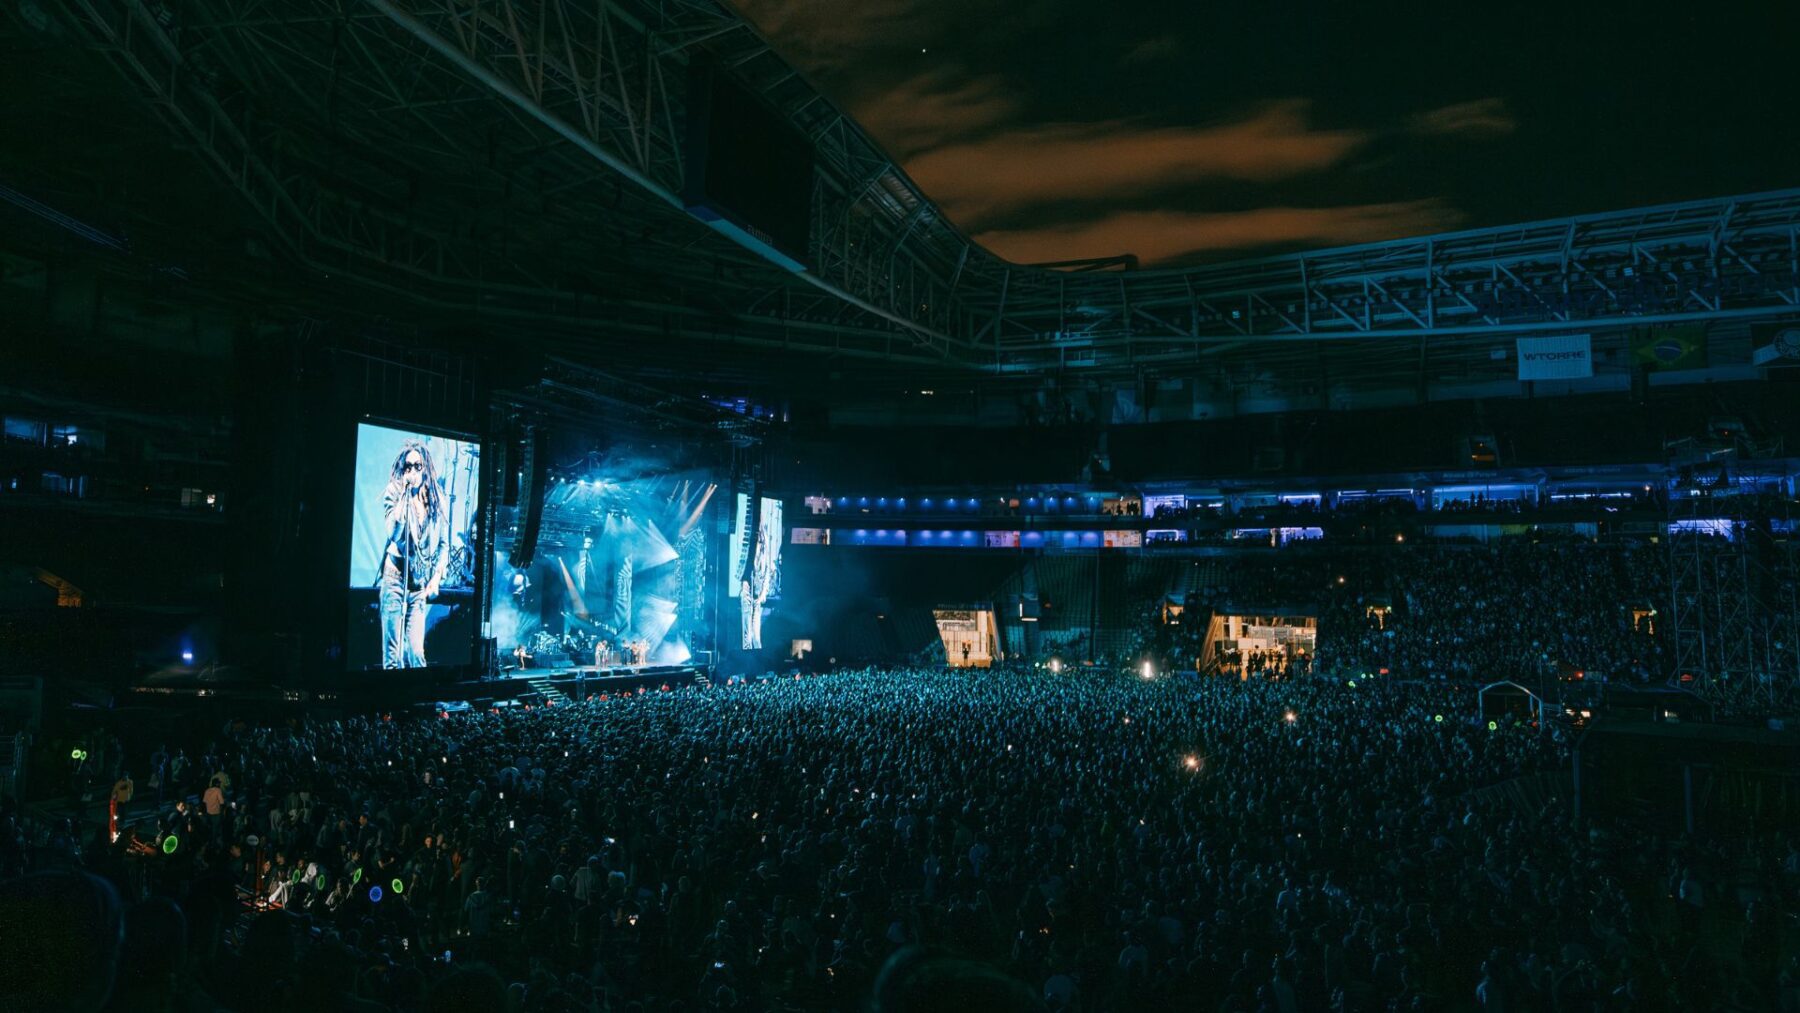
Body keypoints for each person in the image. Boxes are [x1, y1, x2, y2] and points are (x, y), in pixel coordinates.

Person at [378, 440, 448, 669]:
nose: (413, 471)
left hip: (418, 584)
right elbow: (394, 533)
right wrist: (405, 498)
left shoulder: (437, 499)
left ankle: (420, 701)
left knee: (416, 654)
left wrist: (436, 577)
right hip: (395, 578)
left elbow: (444, 545)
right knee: (393, 657)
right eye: (408, 466)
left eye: (418, 466)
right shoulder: (395, 491)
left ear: (426, 467)